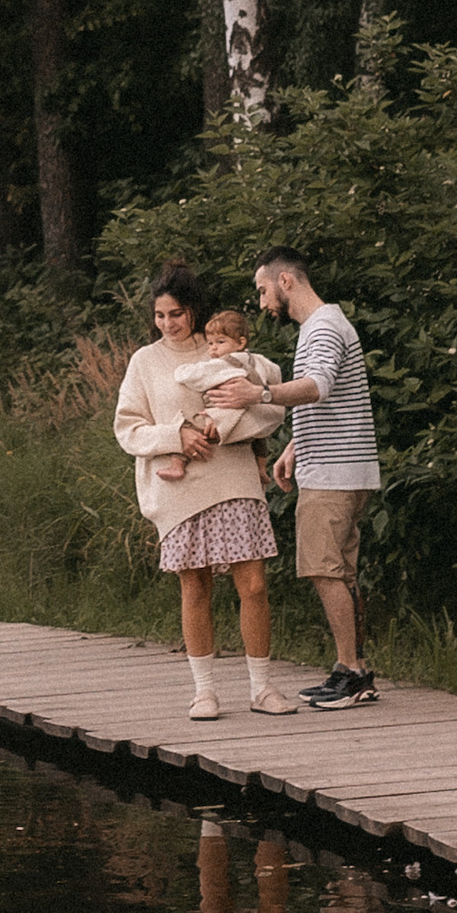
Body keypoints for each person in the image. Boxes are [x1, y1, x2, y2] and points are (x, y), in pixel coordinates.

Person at [113, 265, 297, 721]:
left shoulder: (228, 350)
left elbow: (267, 409)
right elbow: (128, 428)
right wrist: (176, 437)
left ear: (193, 311)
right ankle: (204, 692)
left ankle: (261, 688)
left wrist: (226, 432)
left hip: (232, 477)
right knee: (194, 588)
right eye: (159, 315)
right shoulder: (145, 361)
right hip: (179, 490)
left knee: (253, 585)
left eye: (175, 313)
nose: (167, 323)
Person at [250, 249, 382, 710]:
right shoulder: (325, 325)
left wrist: (259, 393)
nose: (263, 303)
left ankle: (353, 671)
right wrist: (294, 447)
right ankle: (352, 671)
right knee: (339, 573)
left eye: (263, 290)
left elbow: (317, 387)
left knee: (325, 571)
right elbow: (331, 403)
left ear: (285, 281)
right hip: (338, 466)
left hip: (333, 475)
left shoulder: (322, 327)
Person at [151, 306, 282, 481]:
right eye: (210, 343)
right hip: (245, 411)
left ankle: (177, 464)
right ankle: (260, 469)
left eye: (220, 342)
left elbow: (194, 375)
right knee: (259, 439)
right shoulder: (257, 360)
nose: (213, 349)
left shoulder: (223, 363)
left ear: (241, 343)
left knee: (192, 430)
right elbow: (275, 372)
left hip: (220, 413)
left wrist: (180, 370)